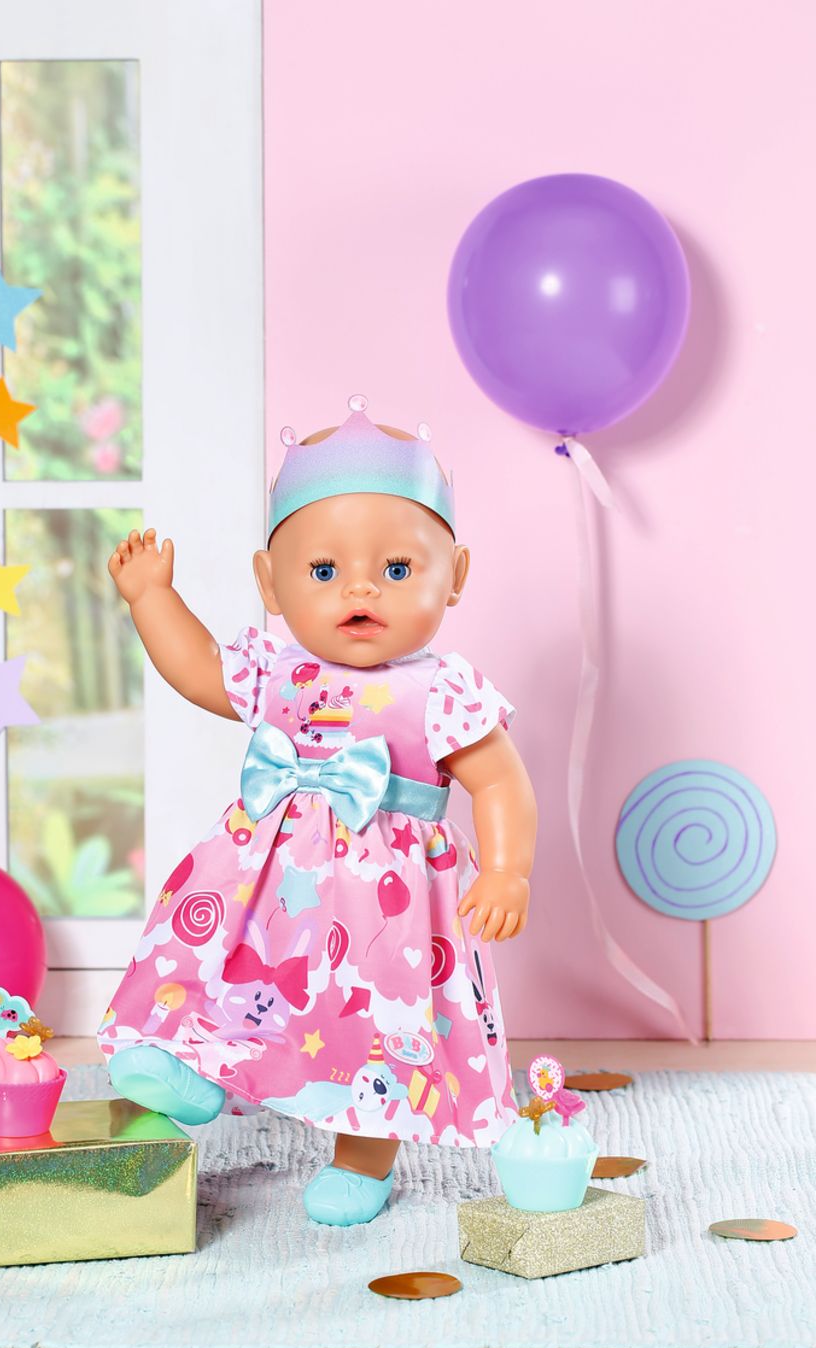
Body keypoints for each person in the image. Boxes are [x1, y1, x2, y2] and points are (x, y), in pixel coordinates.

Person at [97, 395, 537, 1226]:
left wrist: (508, 870)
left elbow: (500, 782)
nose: (359, 588)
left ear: (455, 577)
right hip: (265, 886)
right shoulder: (277, 670)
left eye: (397, 570)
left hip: (389, 908)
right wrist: (151, 597)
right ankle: (193, 1068)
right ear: (271, 582)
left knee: (377, 1023)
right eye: (324, 571)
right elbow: (198, 670)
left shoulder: (443, 690)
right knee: (220, 964)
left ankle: (363, 1162)